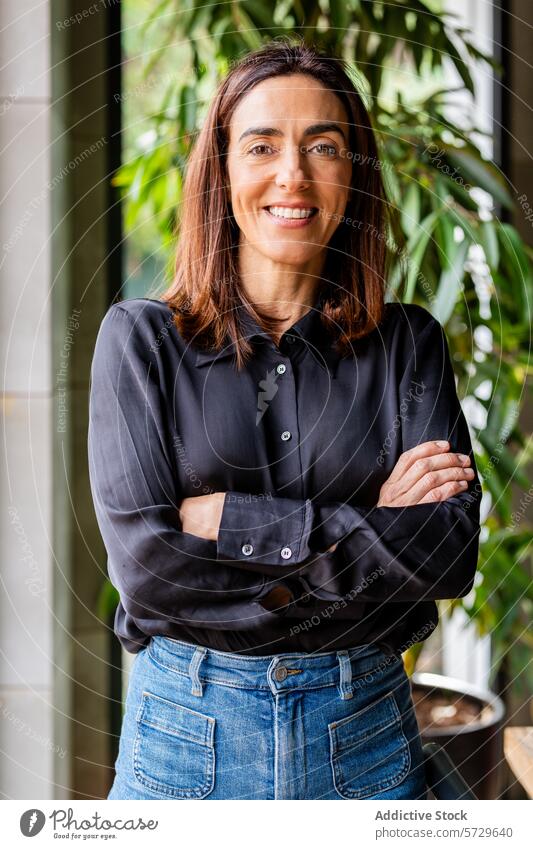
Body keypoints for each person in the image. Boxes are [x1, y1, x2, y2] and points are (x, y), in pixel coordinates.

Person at [88, 39, 481, 800]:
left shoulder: (407, 344)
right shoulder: (141, 342)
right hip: (184, 739)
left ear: (353, 176)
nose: (291, 175)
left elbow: (446, 553)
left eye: (322, 146)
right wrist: (370, 521)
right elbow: (147, 576)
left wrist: (230, 520)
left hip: (363, 736)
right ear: (222, 168)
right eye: (262, 145)